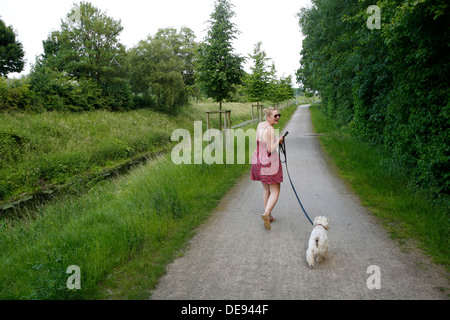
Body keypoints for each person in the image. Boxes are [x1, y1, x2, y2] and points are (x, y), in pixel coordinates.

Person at [250, 107, 284, 230]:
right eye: (275, 116)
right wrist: (279, 141)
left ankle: (268, 216)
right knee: (275, 191)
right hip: (269, 162)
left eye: (279, 115)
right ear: (269, 117)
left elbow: (259, 142)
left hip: (258, 159)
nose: (278, 117)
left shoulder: (260, 125)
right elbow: (270, 149)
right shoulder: (270, 129)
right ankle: (266, 213)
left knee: (266, 189)